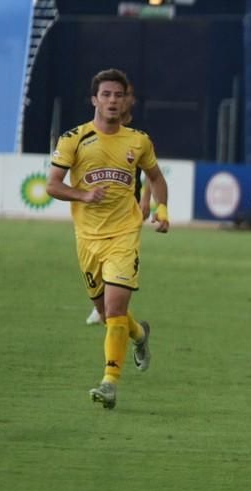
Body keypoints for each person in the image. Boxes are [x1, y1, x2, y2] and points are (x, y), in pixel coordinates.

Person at [47, 68, 169, 409]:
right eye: (106, 95)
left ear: (126, 100)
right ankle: (140, 335)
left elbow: (156, 177)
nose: (113, 101)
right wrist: (83, 196)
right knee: (103, 314)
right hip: (87, 238)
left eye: (118, 95)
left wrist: (162, 210)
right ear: (94, 100)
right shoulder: (74, 139)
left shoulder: (138, 140)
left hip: (124, 235)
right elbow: (53, 185)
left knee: (115, 310)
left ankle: (109, 383)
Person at [86, 83, 152, 325]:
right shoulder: (96, 131)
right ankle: (103, 306)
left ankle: (111, 305)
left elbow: (150, 172)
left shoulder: (135, 137)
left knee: (120, 257)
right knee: (97, 252)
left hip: (127, 207)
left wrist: (146, 200)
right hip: (102, 208)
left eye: (122, 96)